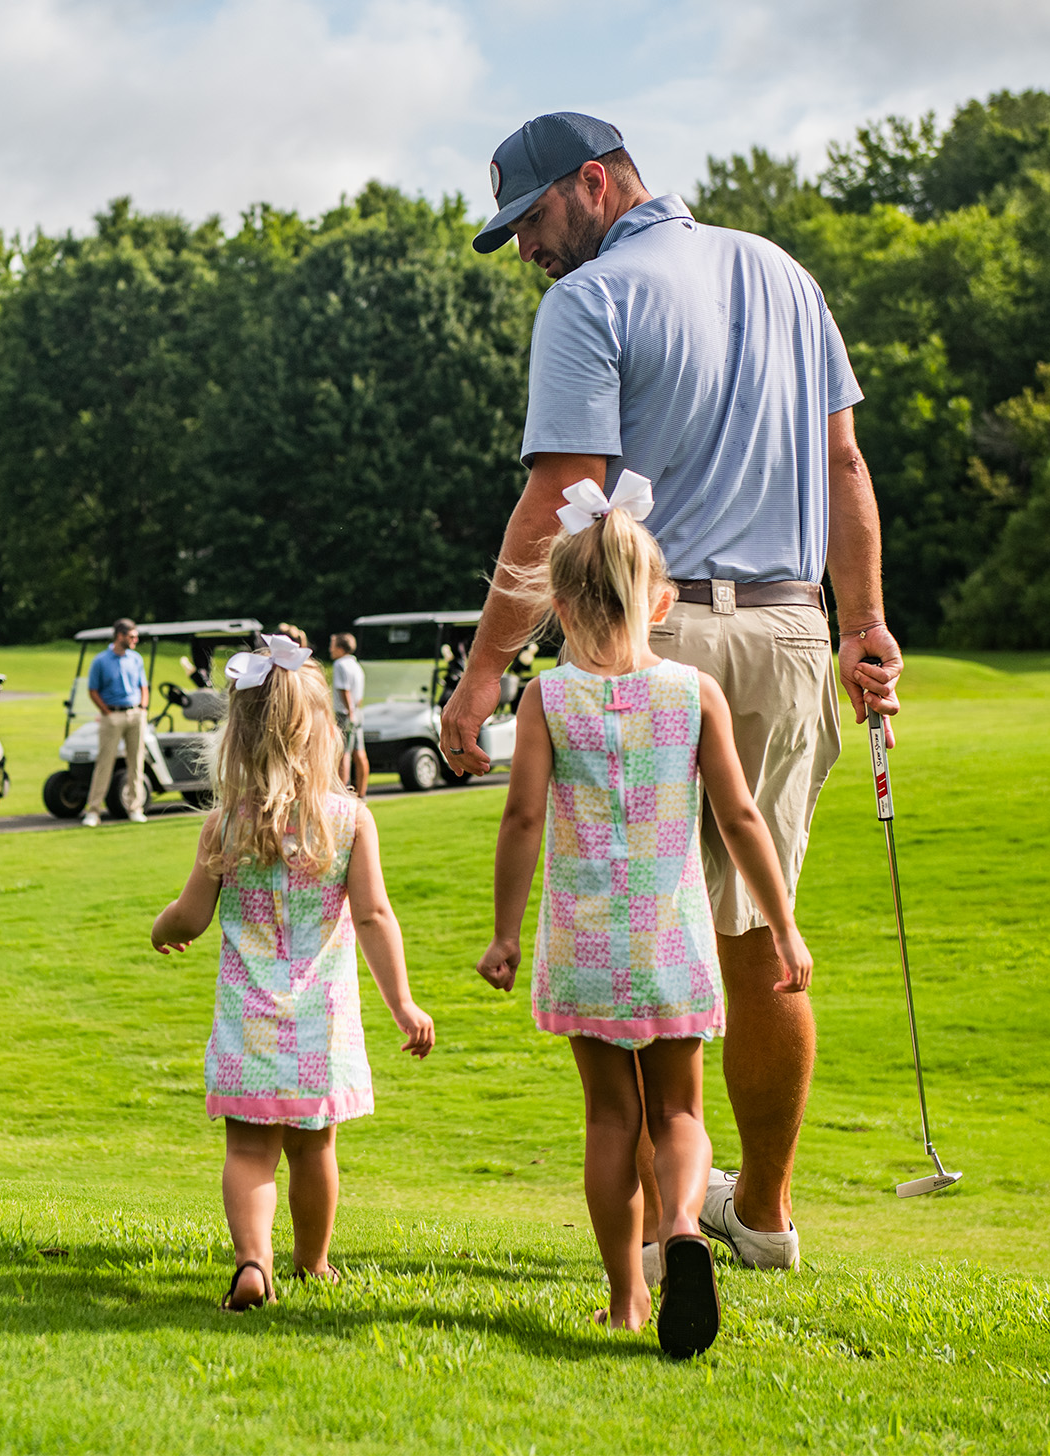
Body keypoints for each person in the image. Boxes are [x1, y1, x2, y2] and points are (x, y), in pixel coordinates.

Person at [443, 111, 903, 1274]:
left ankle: (662, 1230)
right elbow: (843, 464)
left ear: (593, 183)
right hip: (790, 630)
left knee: (646, 929)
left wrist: (484, 670)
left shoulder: (587, 302)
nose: (525, 249)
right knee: (752, 929)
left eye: (532, 219)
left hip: (648, 638)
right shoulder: (785, 275)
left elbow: (559, 493)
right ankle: (764, 1213)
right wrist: (862, 627)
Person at [478, 477, 811, 1356]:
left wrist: (505, 934)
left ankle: (628, 1297)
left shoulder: (546, 700)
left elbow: (522, 819)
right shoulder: (693, 692)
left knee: (607, 1121)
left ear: (556, 607)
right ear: (660, 602)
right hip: (673, 945)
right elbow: (741, 819)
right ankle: (686, 1229)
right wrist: (782, 926)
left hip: (585, 948)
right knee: (680, 1116)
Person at [150, 633, 434, 1309]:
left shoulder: (226, 826)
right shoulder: (349, 822)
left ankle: (254, 1262)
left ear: (238, 739)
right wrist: (403, 1004)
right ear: (322, 735)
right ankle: (313, 1261)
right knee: (315, 1150)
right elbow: (374, 917)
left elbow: (190, 916)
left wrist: (163, 929)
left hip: (248, 1021)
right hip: (320, 1023)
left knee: (249, 1154)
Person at [81, 618, 149, 826]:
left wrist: (143, 708)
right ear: (120, 636)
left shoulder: (136, 659)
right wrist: (106, 712)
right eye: (132, 636)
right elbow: (93, 690)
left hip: (135, 714)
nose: (135, 640)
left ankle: (135, 808)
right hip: (112, 716)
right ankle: (93, 811)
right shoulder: (101, 661)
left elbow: (143, 686)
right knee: (104, 763)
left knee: (136, 763)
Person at [330, 633, 369, 797]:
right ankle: (362, 792)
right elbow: (358, 696)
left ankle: (342, 793)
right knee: (359, 752)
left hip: (345, 713)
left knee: (343, 753)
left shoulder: (340, 665)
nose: (330, 650)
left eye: (332, 646)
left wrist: (350, 712)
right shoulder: (356, 665)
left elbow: (344, 690)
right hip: (358, 711)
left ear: (340, 649)